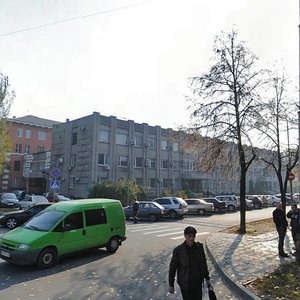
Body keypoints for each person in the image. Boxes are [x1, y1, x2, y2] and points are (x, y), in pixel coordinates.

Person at [169, 226, 211, 300]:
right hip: (185, 284)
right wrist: (171, 284)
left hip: (197, 283)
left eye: (193, 236)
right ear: (185, 236)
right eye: (189, 236)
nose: (192, 238)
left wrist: (207, 278)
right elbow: (172, 268)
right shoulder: (178, 250)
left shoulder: (199, 247)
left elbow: (203, 263)